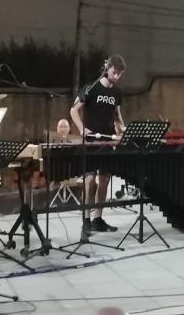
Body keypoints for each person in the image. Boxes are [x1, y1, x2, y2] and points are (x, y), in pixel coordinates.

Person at [70, 55, 127, 236]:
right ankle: (86, 220)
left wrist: (123, 130)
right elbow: (73, 110)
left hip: (108, 141)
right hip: (91, 141)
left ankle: (97, 219)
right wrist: (82, 129)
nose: (116, 76)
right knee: (89, 181)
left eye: (120, 74)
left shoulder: (116, 93)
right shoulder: (91, 87)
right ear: (107, 68)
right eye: (114, 72)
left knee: (105, 181)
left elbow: (117, 117)